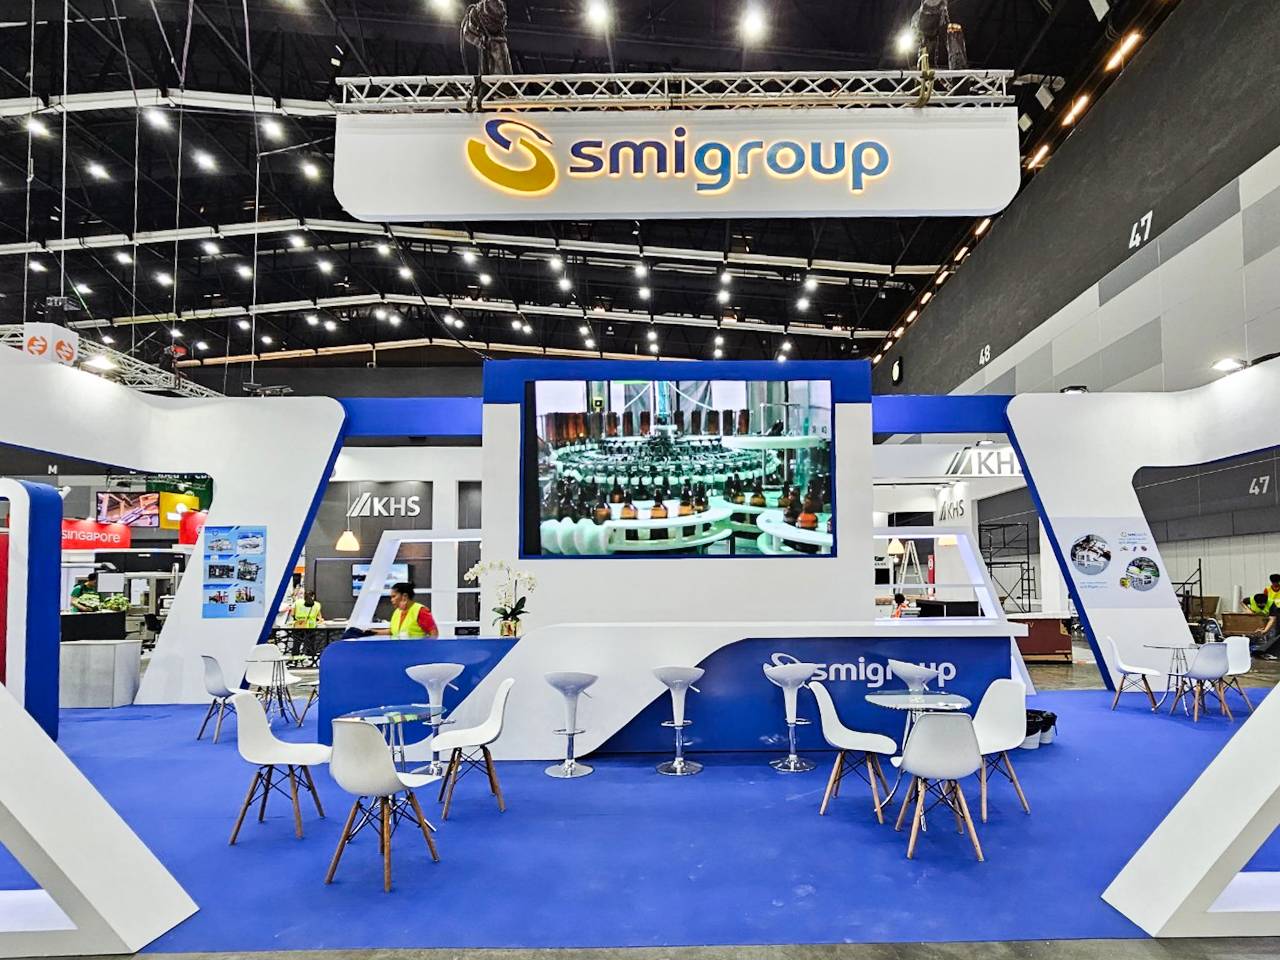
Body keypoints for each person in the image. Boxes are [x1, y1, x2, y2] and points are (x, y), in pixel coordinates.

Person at [370, 582, 439, 639]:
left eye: (394, 596)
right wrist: (372, 632)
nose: (391, 600)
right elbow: (393, 631)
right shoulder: (397, 612)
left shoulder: (421, 611)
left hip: (415, 651)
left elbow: (434, 634)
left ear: (405, 596)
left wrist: (423, 648)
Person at [1246, 591, 1280, 659]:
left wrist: (1265, 630)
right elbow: (1242, 602)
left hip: (1270, 619)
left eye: (1262, 604)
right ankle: (1257, 651)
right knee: (1255, 637)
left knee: (1271, 636)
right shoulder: (1251, 600)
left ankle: (1268, 652)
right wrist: (1248, 609)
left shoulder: (1271, 604)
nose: (1260, 606)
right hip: (1259, 619)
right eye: (1259, 604)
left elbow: (1272, 619)